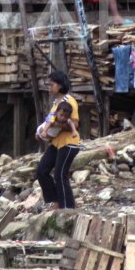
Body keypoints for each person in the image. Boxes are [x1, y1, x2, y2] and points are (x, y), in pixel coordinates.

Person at [34, 70, 82, 210]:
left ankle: (68, 207)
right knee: (42, 171)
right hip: (56, 143)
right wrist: (42, 132)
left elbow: (75, 124)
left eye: (52, 85)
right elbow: (49, 122)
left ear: (60, 86)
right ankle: (55, 201)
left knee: (60, 174)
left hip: (68, 143)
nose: (49, 87)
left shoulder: (68, 101)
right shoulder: (56, 103)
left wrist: (54, 126)